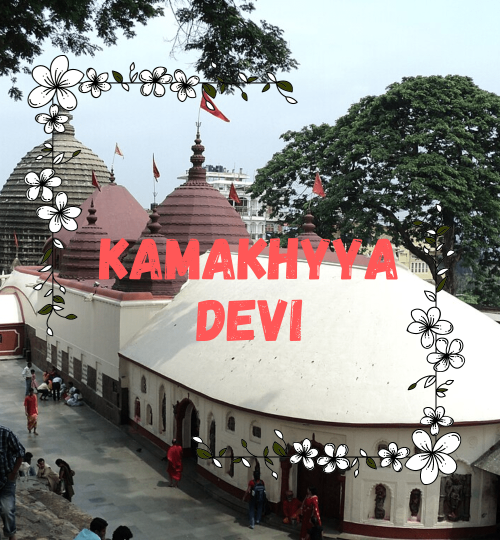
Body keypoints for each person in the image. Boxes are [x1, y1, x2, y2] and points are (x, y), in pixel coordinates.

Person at [0, 425, 26, 540]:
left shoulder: (5, 433)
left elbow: (21, 453)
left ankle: (11, 534)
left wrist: (13, 473)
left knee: (7, 510)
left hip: (6, 479)